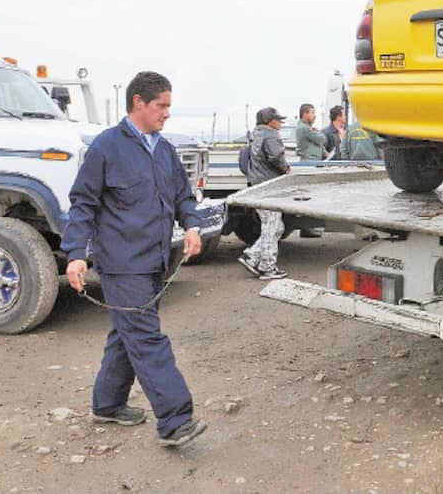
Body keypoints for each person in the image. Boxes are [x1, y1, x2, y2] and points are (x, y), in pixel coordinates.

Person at [61, 71, 207, 448]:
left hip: (156, 259)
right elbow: (83, 204)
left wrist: (191, 226)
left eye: (169, 106)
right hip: (122, 263)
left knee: (127, 334)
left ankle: (107, 404)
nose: (166, 114)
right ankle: (175, 420)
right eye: (162, 106)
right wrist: (76, 255)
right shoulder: (107, 147)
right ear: (138, 102)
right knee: (145, 336)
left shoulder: (164, 149)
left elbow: (182, 195)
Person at [237, 107, 291, 280]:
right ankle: (267, 267)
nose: (280, 122)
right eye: (278, 119)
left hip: (257, 184)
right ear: (269, 121)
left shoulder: (256, 134)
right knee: (272, 226)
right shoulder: (271, 135)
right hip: (270, 186)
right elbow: (276, 156)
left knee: (276, 226)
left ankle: (251, 256)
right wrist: (286, 168)